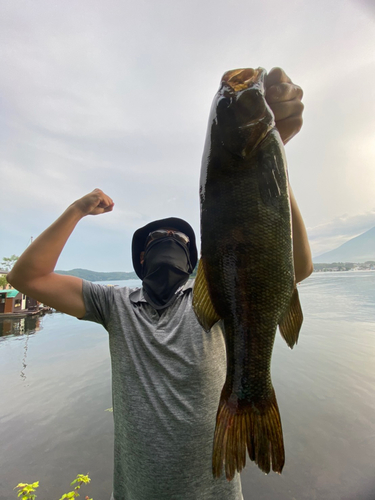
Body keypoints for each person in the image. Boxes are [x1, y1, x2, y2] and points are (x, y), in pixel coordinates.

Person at [8, 67, 313, 500]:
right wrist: (77, 209)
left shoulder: (215, 300)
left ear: (195, 263)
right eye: (157, 241)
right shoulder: (113, 305)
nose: (167, 244)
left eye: (179, 240)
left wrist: (274, 162)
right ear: (140, 260)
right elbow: (26, 278)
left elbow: (295, 267)